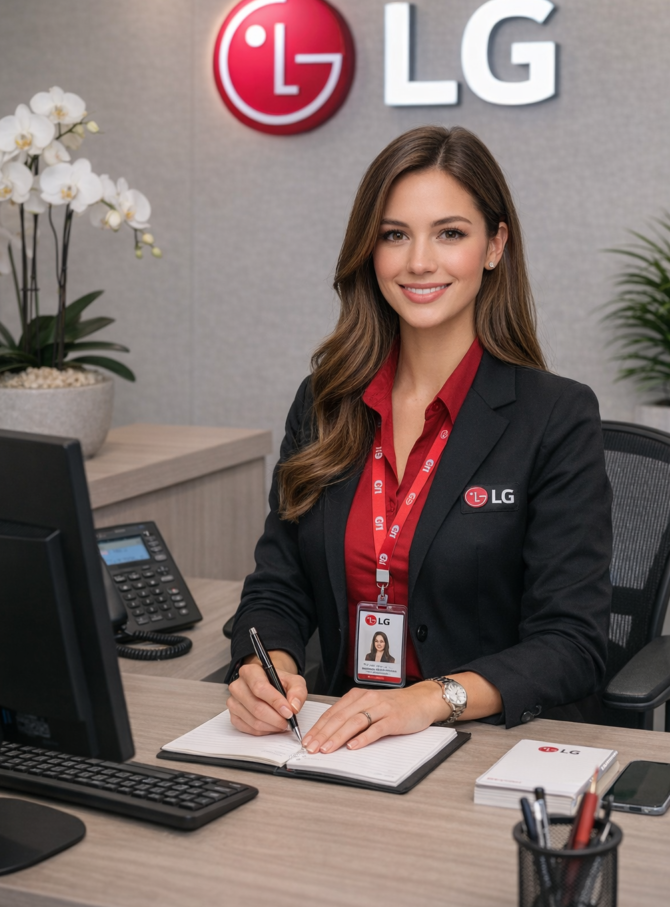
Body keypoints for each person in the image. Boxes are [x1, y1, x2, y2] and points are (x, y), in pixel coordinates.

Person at [226, 125, 612, 756]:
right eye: (394, 234)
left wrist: (428, 699)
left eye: (450, 233)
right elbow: (278, 585)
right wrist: (262, 666)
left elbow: (571, 642)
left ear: (494, 246)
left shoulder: (556, 415)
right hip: (340, 742)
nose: (419, 262)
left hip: (491, 749)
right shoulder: (325, 401)